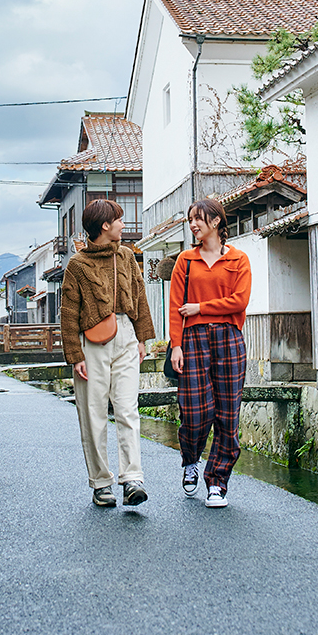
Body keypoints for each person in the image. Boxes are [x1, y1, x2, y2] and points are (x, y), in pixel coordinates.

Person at [60, 199, 155, 507]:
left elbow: (139, 296)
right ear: (105, 226)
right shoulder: (77, 264)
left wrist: (142, 338)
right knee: (94, 415)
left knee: (128, 409)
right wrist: (75, 354)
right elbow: (68, 312)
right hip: (93, 343)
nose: (123, 225)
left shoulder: (127, 256)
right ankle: (101, 482)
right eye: (119, 220)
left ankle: (132, 479)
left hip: (126, 335)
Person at [169, 198, 251, 508]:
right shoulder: (185, 261)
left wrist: (201, 307)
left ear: (215, 222)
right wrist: (176, 345)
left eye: (198, 219)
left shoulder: (239, 260)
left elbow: (239, 301)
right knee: (194, 410)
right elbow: (177, 308)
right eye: (191, 220)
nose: (193, 225)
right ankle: (191, 458)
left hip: (229, 338)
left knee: (228, 415)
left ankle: (217, 482)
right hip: (192, 339)